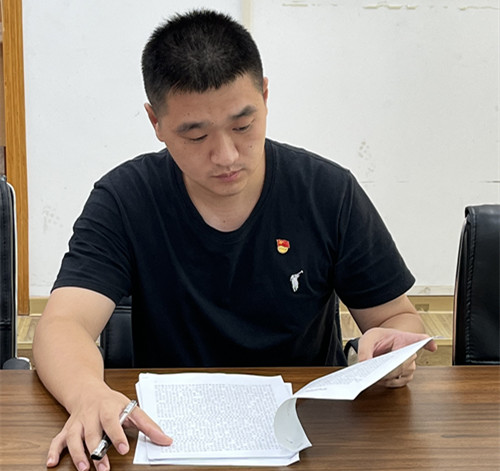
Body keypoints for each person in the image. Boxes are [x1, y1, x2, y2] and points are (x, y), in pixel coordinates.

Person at [33, 9, 436, 471]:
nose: (226, 156)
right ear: (155, 122)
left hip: (307, 437)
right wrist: (88, 393)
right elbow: (62, 324)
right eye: (195, 135)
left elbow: (397, 317)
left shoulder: (327, 191)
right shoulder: (125, 198)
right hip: (167, 440)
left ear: (264, 95)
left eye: (243, 126)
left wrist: (394, 354)